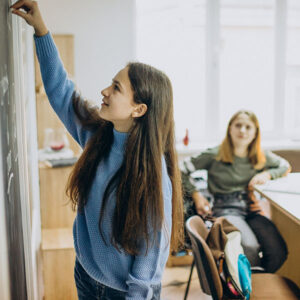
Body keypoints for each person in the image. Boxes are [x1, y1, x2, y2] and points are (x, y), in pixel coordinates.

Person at [11, 1, 184, 299]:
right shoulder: (97, 136)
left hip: (124, 293)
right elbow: (62, 91)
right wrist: (41, 31)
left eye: (116, 88)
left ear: (139, 109)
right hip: (86, 276)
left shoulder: (154, 178)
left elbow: (148, 263)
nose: (104, 91)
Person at [181, 110, 290, 273]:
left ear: (255, 133)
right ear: (230, 128)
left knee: (278, 251)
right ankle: (246, 291)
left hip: (251, 209)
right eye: (238, 125)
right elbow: (180, 169)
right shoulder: (214, 154)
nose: (243, 130)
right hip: (225, 209)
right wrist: (196, 195)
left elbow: (285, 166)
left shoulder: (260, 156)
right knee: (249, 247)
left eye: (248, 127)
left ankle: (251, 285)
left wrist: (267, 174)